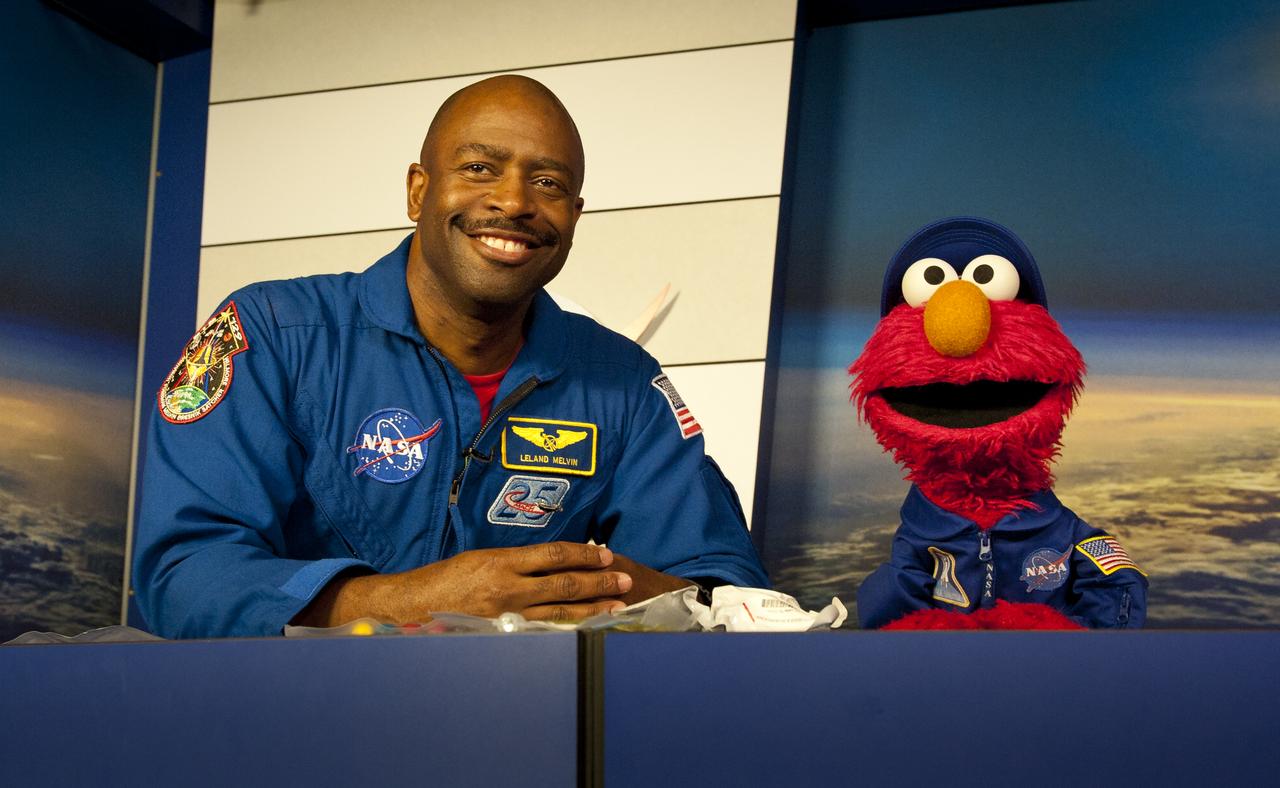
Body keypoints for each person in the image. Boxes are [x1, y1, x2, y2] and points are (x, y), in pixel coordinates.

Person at [134, 75, 768, 638]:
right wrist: (418, 602)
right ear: (418, 191)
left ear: (574, 216)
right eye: (480, 169)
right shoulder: (273, 335)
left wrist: (598, 592)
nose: (515, 202)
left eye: (548, 183)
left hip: (523, 734)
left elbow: (721, 592)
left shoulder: (623, 384)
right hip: (292, 729)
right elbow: (186, 573)